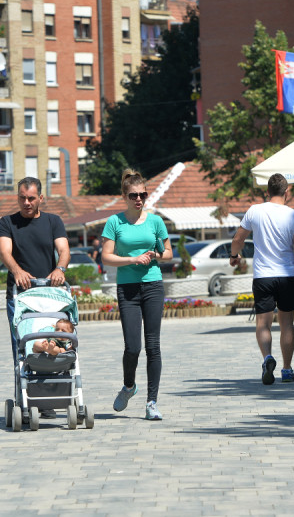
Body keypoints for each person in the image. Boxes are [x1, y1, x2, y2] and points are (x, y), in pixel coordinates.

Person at [101, 170, 172, 421]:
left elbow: (169, 253)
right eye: (134, 195)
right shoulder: (114, 222)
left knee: (153, 346)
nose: (139, 199)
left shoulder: (155, 221)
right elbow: (105, 256)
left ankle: (152, 402)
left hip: (153, 286)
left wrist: (156, 253)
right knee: (133, 347)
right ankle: (129, 386)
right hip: (128, 288)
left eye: (143, 194)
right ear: (125, 196)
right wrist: (132, 258)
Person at [230, 173, 294, 386]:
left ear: (267, 191)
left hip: (263, 276)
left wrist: (234, 256)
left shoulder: (255, 210)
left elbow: (238, 238)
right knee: (287, 324)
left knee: (263, 323)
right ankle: (287, 369)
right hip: (287, 275)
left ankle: (267, 358)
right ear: (287, 191)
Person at [0, 177, 69, 365]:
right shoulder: (7, 222)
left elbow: (63, 250)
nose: (26, 203)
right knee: (21, 343)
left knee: (53, 339)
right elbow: (5, 252)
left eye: (31, 198)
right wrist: (17, 271)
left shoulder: (53, 221)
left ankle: (56, 383)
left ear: (41, 198)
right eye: (22, 198)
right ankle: (22, 391)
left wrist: (60, 269)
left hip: (48, 293)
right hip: (19, 294)